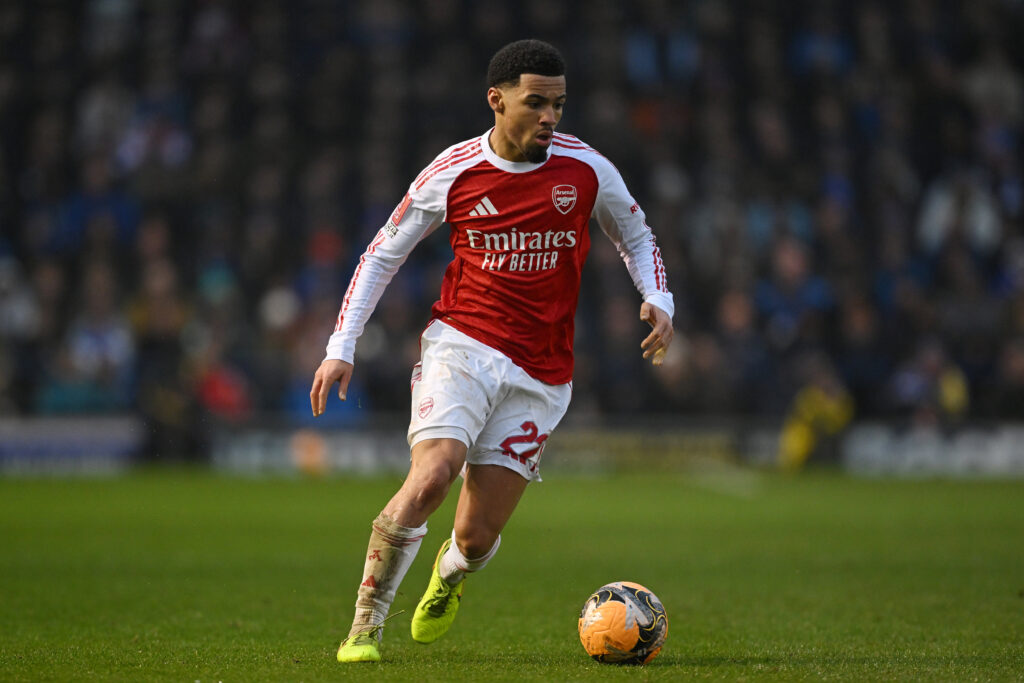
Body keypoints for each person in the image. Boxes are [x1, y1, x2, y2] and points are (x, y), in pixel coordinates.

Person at [310, 39, 675, 664]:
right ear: (496, 101)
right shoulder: (452, 171)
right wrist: (341, 345)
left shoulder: (587, 170)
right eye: (536, 104)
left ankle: (448, 578)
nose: (550, 118)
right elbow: (381, 255)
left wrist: (659, 297)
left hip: (542, 371)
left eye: (558, 105)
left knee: (476, 538)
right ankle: (364, 627)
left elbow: (635, 233)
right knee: (432, 475)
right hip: (463, 345)